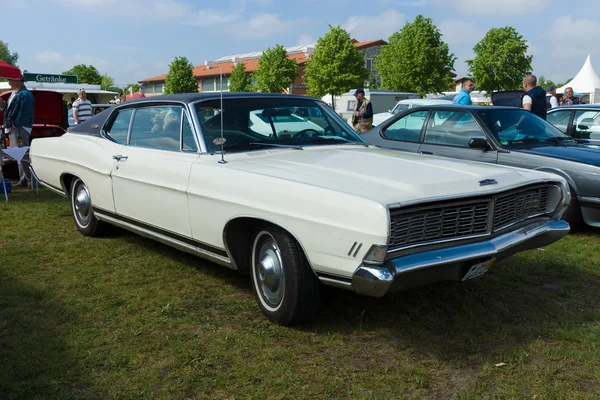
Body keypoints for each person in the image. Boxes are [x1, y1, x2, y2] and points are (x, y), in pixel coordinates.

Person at [0, 70, 35, 187]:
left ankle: (30, 179)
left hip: (19, 128)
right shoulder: (15, 93)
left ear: (18, 80)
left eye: (10, 79)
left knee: (22, 153)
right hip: (15, 127)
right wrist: (3, 104)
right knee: (18, 154)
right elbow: (12, 110)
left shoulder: (25, 94)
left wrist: (14, 124)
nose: (9, 82)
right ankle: (23, 179)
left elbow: (25, 113)